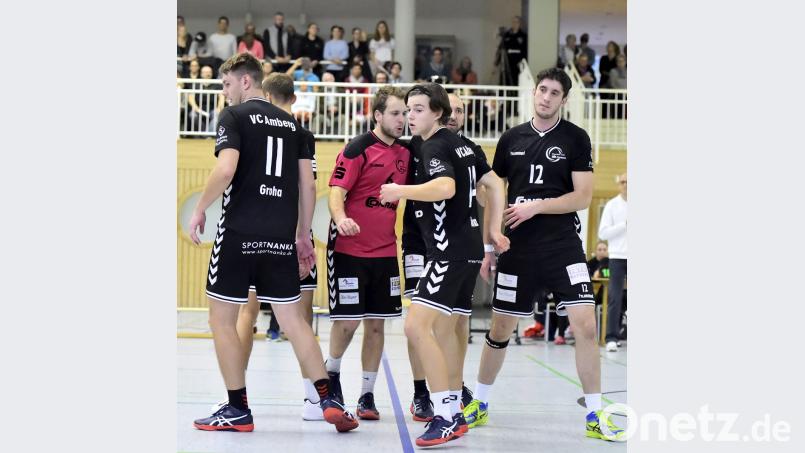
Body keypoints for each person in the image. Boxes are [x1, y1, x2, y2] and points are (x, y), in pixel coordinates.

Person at [187, 52, 358, 433]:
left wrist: (199, 208)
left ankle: (237, 408)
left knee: (222, 319)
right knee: (294, 320)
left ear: (246, 81)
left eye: (227, 84)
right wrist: (303, 235)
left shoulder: (233, 116)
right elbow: (308, 186)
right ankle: (328, 398)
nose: (224, 92)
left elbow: (226, 169)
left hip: (238, 234)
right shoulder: (294, 127)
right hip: (280, 238)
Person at [460, 68, 624, 442]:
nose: (546, 97)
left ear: (564, 99)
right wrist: (489, 244)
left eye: (554, 93)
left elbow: (582, 197)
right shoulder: (511, 138)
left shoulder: (576, 138)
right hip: (517, 250)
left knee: (586, 327)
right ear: (534, 92)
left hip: (563, 248)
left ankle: (595, 414)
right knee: (500, 330)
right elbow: (493, 193)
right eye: (542, 90)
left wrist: (536, 206)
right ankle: (480, 403)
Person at [379, 83, 508, 447]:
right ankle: (452, 407)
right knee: (447, 331)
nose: (410, 116)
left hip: (448, 252)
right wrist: (493, 230)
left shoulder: (434, 145)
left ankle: (445, 415)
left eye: (418, 109)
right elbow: (495, 184)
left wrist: (400, 191)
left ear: (437, 113)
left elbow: (446, 187)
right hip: (468, 250)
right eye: (408, 109)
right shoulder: (463, 145)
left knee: (416, 327)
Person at [324, 87, 411, 421]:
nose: (402, 120)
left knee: (376, 326)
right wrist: (341, 218)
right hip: (350, 251)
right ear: (377, 115)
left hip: (385, 253)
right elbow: (336, 192)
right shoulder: (357, 148)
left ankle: (367, 395)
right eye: (395, 113)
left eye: (405, 114)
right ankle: (331, 378)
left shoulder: (406, 153)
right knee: (347, 323)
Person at [598, 173, 627, 352]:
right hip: (617, 257)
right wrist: (624, 225)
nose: (626, 185)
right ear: (619, 184)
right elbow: (603, 233)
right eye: (623, 182)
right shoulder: (612, 205)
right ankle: (611, 338)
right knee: (615, 297)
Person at [186, 65, 225, 133]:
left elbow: (221, 97)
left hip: (213, 109)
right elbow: (190, 98)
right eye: (205, 72)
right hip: (199, 109)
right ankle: (205, 134)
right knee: (192, 115)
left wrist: (219, 108)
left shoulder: (217, 84)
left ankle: (208, 134)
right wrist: (197, 109)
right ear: (201, 74)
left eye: (209, 72)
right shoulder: (196, 84)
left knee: (218, 114)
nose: (207, 74)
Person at [501, 16, 527, 85]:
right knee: (506, 79)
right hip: (508, 61)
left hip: (518, 61)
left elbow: (525, 50)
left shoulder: (523, 36)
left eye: (516, 22)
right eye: (513, 22)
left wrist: (523, 61)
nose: (515, 24)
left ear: (519, 23)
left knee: (516, 79)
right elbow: (502, 48)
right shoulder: (507, 35)